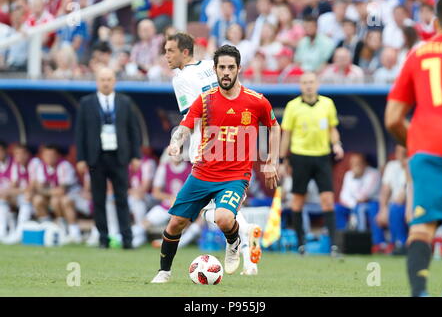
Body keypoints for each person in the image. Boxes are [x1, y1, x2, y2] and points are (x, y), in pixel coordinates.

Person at [151, 44, 280, 283]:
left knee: (222, 217)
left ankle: (233, 242)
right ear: (216, 69)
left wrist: (272, 161)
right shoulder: (205, 100)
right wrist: (176, 142)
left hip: (235, 176)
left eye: (231, 67)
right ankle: (164, 272)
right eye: (222, 67)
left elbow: (273, 127)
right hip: (202, 173)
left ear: (239, 69)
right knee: (176, 223)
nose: (226, 72)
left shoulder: (256, 101)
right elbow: (185, 126)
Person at [385, 0, 442, 297]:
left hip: (428, 147)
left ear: (436, 22)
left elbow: (393, 118)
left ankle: (421, 291)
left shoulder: (418, 54)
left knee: (422, 227)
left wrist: (416, 142)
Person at [75, 67, 142, 249]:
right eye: (102, 79)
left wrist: (136, 155)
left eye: (109, 79)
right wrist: (81, 158)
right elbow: (80, 133)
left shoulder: (125, 102)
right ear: (97, 81)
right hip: (96, 157)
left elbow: (133, 130)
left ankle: (126, 239)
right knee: (98, 198)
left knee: (122, 198)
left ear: (114, 81)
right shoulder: (86, 103)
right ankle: (103, 238)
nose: (106, 83)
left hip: (119, 156)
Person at [279, 71, 344, 256]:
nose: (308, 85)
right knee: (298, 202)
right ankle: (301, 245)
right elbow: (286, 135)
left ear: (317, 84)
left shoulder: (327, 103)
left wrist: (336, 144)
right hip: (300, 157)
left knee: (328, 201)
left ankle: (333, 246)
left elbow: (333, 129)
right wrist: (283, 161)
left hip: (322, 157)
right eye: (305, 82)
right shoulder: (293, 106)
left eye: (311, 82)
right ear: (301, 85)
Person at [32, 145, 83, 243]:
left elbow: (62, 191)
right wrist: (47, 191)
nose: (49, 158)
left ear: (57, 156)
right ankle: (47, 228)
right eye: (46, 155)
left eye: (52, 155)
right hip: (53, 197)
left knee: (60, 200)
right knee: (37, 200)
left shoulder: (64, 165)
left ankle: (74, 232)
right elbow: (38, 188)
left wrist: (45, 190)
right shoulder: (41, 166)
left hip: (75, 196)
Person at [335, 153, 384, 253]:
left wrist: (357, 178)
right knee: (337, 208)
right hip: (353, 205)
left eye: (358, 163)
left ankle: (376, 243)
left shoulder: (373, 173)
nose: (356, 166)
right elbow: (343, 195)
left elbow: (365, 195)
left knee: (365, 209)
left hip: (371, 203)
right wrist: (353, 204)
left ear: (365, 163)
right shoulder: (349, 174)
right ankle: (344, 240)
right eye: (353, 163)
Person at [376, 145, 408, 255]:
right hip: (396, 204)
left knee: (395, 208)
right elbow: (385, 189)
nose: (402, 155)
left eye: (405, 152)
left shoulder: (414, 165)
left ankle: (402, 244)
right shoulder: (392, 166)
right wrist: (383, 209)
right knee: (386, 208)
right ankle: (383, 245)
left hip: (414, 204)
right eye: (400, 152)